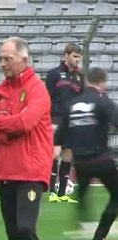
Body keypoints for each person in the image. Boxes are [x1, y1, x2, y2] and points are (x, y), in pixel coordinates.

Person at [0, 37, 53, 240]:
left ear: (24, 60)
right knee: (13, 233)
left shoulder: (37, 89)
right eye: (1, 59)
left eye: (8, 59)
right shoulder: (0, 91)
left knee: (25, 230)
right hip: (5, 170)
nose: (3, 64)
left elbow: (25, 122)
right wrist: (6, 133)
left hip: (30, 171)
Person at [57, 67, 118, 240]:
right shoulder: (102, 100)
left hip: (80, 162)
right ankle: (99, 235)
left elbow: (61, 133)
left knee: (83, 188)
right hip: (101, 159)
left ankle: (80, 217)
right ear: (102, 82)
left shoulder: (72, 104)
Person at [46, 43, 84, 203]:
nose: (77, 60)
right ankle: (52, 191)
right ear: (66, 55)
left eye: (79, 57)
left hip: (72, 120)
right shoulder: (54, 74)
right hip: (56, 117)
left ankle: (62, 193)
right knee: (55, 153)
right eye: (75, 56)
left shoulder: (80, 77)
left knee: (68, 154)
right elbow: (47, 97)